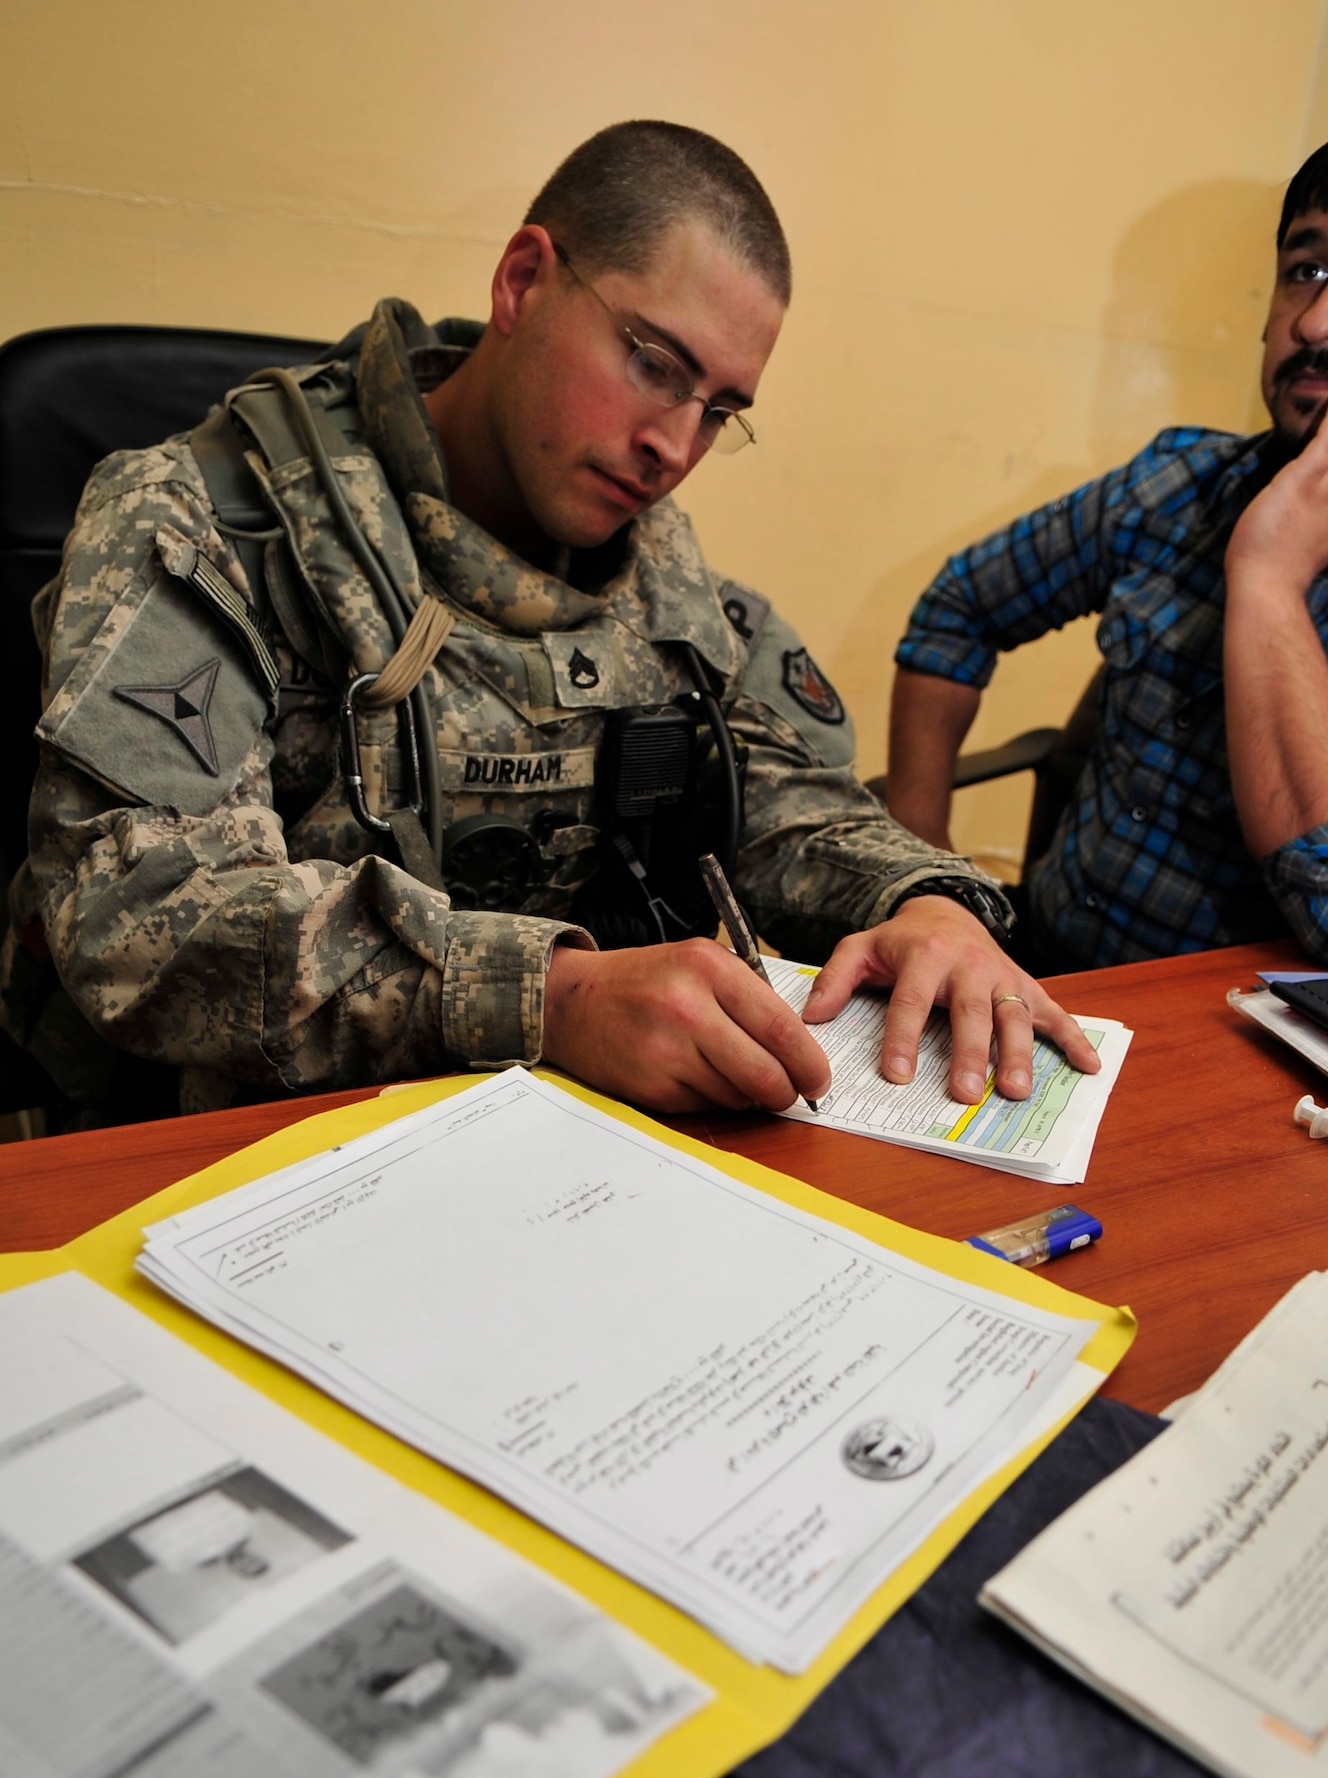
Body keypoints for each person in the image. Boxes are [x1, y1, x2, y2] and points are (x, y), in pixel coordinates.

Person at [1, 121, 1097, 1121]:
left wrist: (927, 901)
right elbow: (145, 918)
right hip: (212, 1151)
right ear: (525, 280)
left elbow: (782, 799)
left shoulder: (655, 578)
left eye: (718, 411)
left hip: (547, 1141)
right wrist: (549, 997)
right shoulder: (205, 520)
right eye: (654, 365)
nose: (674, 445)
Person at [886, 142, 1328, 975]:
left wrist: (1270, 575)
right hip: (1036, 968)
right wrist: (926, 870)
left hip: (1213, 1045)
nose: (1313, 324)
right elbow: (956, 612)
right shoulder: (1176, 483)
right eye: (1305, 270)